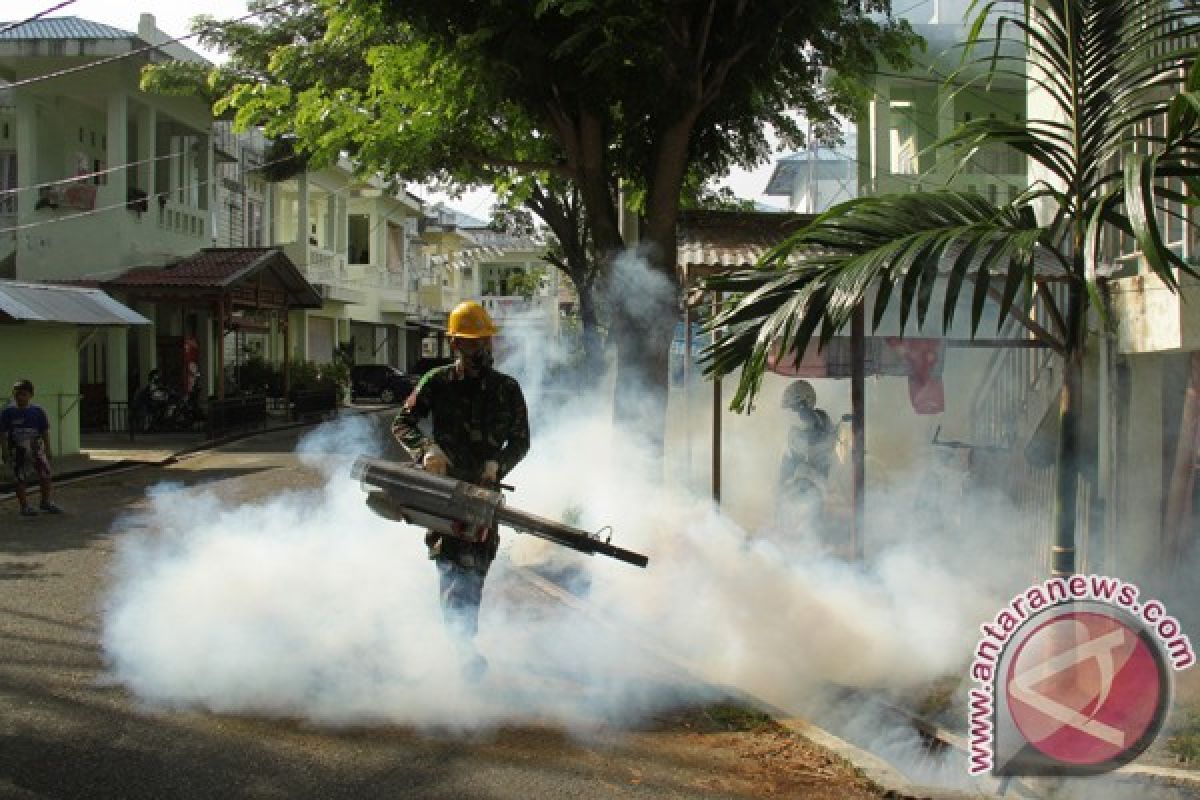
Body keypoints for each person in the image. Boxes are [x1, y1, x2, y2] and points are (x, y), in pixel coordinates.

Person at [391, 301, 530, 678]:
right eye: (472, 343)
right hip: (445, 493)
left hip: (485, 494)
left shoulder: (507, 389)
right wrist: (426, 450)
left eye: (485, 342)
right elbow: (403, 422)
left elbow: (522, 441)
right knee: (452, 561)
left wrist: (498, 463)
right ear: (455, 345)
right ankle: (461, 646)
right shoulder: (436, 383)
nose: (481, 350)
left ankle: (461, 637)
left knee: (477, 562)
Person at [1, 379, 62, 517]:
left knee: (45, 475)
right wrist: (4, 451)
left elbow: (45, 431)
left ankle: (45, 502)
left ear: (30, 395)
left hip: (36, 450)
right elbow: (2, 433)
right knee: (20, 478)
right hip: (18, 451)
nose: (19, 397)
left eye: (23, 394)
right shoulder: (7, 412)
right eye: (16, 394)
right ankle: (25, 506)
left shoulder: (38, 411)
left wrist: (48, 448)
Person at [777, 379, 834, 519]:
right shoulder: (815, 419)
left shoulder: (813, 417)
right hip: (807, 473)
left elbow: (817, 439)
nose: (793, 411)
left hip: (810, 472)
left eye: (795, 406)